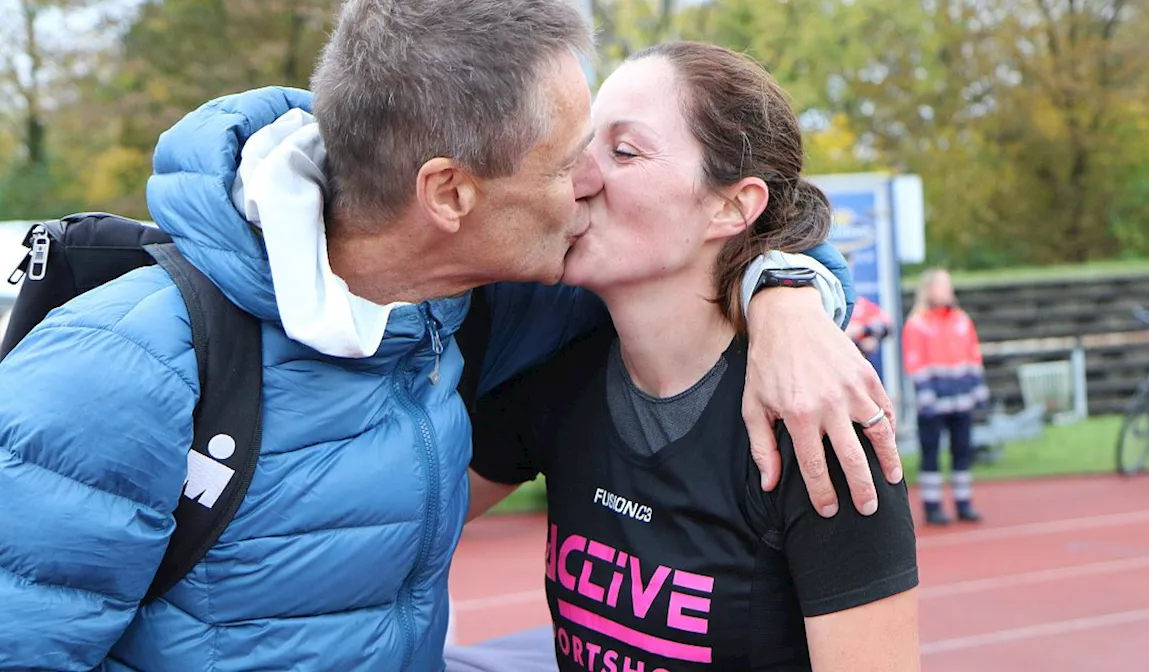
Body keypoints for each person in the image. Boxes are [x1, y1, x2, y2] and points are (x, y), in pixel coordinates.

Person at [0, 1, 906, 670]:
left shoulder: (489, 302)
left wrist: (790, 288)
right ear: (449, 196)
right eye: (566, 159)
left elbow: (749, 220)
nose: (586, 183)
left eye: (611, 152)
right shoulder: (113, 371)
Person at [466, 42, 920, 672]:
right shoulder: (561, 378)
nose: (579, 177)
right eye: (584, 146)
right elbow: (410, 520)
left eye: (624, 152)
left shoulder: (813, 421)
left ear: (732, 206)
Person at [902, 268, 988, 525]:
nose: (947, 290)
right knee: (931, 453)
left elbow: (973, 355)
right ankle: (932, 506)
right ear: (928, 289)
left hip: (961, 400)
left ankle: (964, 502)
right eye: (942, 285)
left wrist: (978, 390)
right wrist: (926, 396)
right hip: (933, 403)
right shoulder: (918, 323)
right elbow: (915, 363)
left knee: (962, 451)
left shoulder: (961, 319)